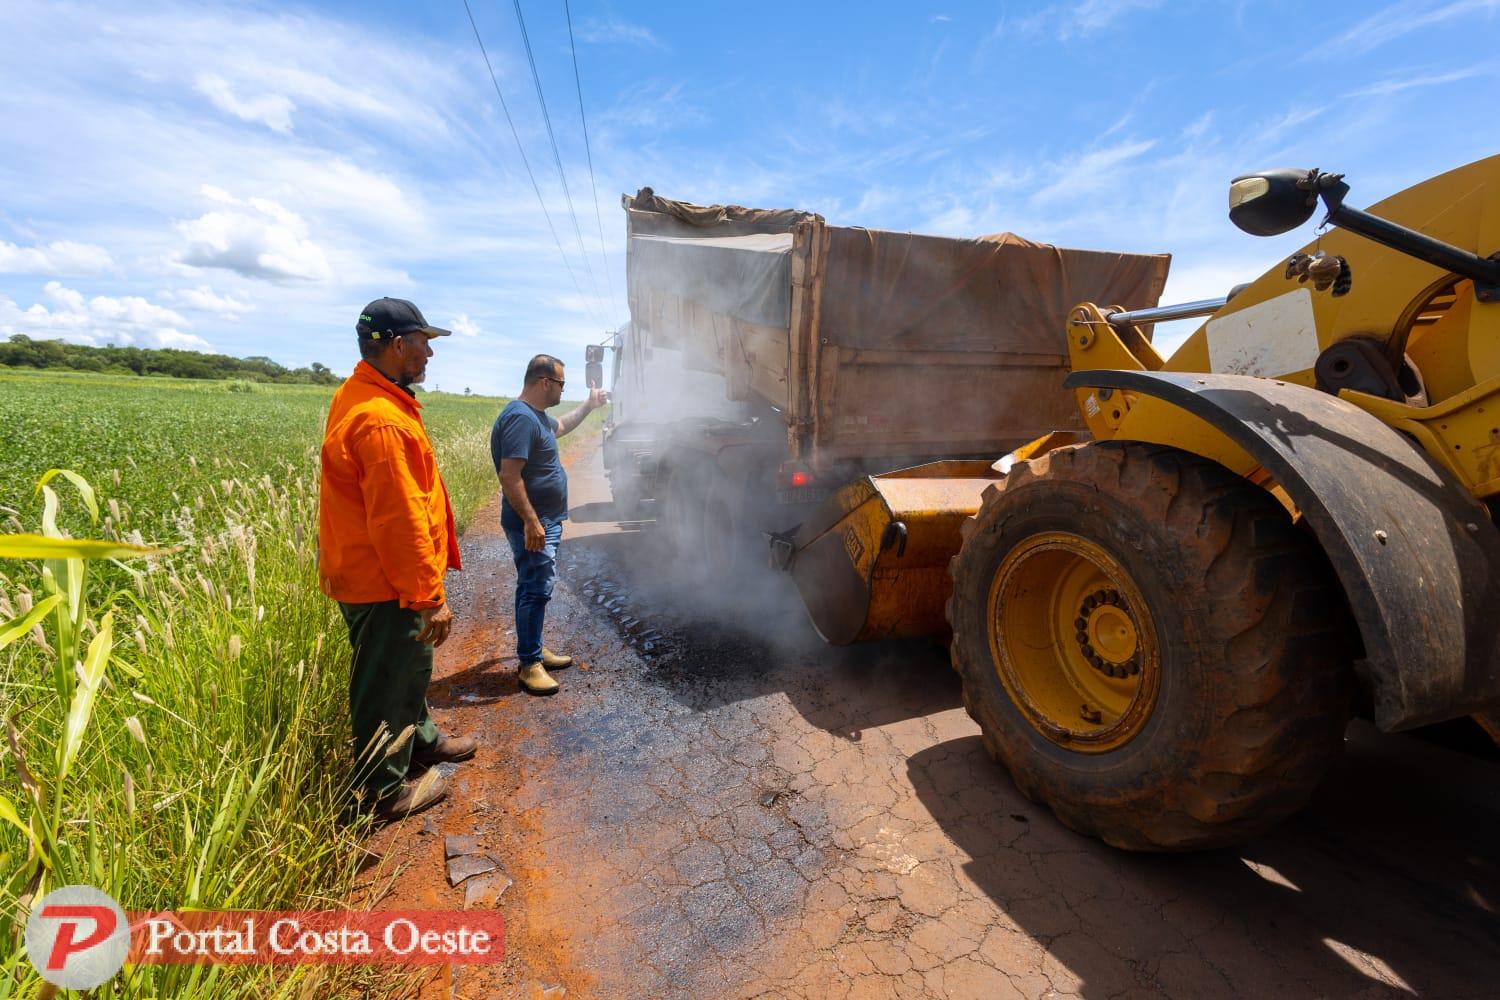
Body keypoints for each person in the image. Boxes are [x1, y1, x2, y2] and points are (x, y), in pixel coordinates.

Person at [318, 297, 478, 820]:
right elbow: (399, 519)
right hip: (385, 581)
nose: (429, 353)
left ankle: (423, 739)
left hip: (373, 573)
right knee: (387, 678)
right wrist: (427, 597)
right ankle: (383, 791)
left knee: (407, 668)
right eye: (423, 342)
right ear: (394, 345)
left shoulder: (365, 394)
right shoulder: (382, 419)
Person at [492, 354, 608, 694]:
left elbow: (563, 426)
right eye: (561, 384)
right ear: (545, 382)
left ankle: (535, 646)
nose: (562, 390)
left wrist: (588, 405)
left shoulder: (536, 417)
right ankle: (529, 664)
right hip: (533, 522)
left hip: (542, 519)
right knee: (535, 587)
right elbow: (509, 476)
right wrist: (531, 521)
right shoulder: (520, 419)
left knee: (533, 584)